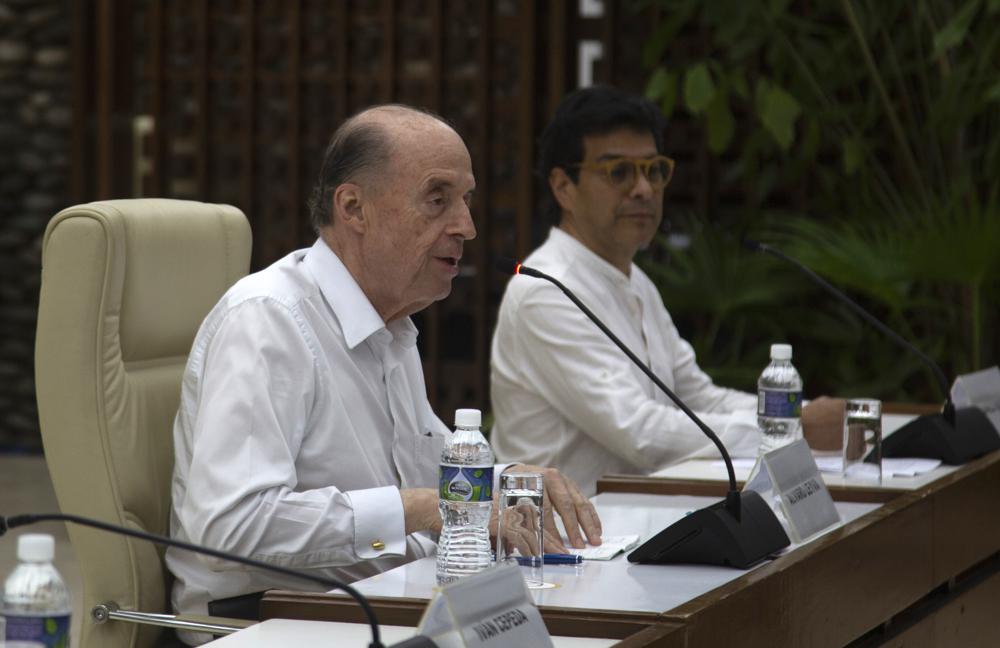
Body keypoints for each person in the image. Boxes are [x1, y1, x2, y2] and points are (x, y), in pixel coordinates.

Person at [167, 105, 601, 642]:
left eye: (466, 201)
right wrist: (422, 508)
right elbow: (230, 525)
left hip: (377, 601)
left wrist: (514, 484)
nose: (466, 226)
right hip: (265, 620)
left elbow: (435, 468)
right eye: (437, 199)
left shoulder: (391, 326)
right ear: (354, 207)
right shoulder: (268, 320)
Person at [490, 86, 844, 496]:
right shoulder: (546, 290)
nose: (643, 189)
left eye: (653, 170)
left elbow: (697, 396)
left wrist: (790, 416)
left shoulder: (635, 280)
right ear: (563, 186)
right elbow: (639, 432)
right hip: (555, 542)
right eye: (618, 172)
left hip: (632, 523)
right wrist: (792, 430)